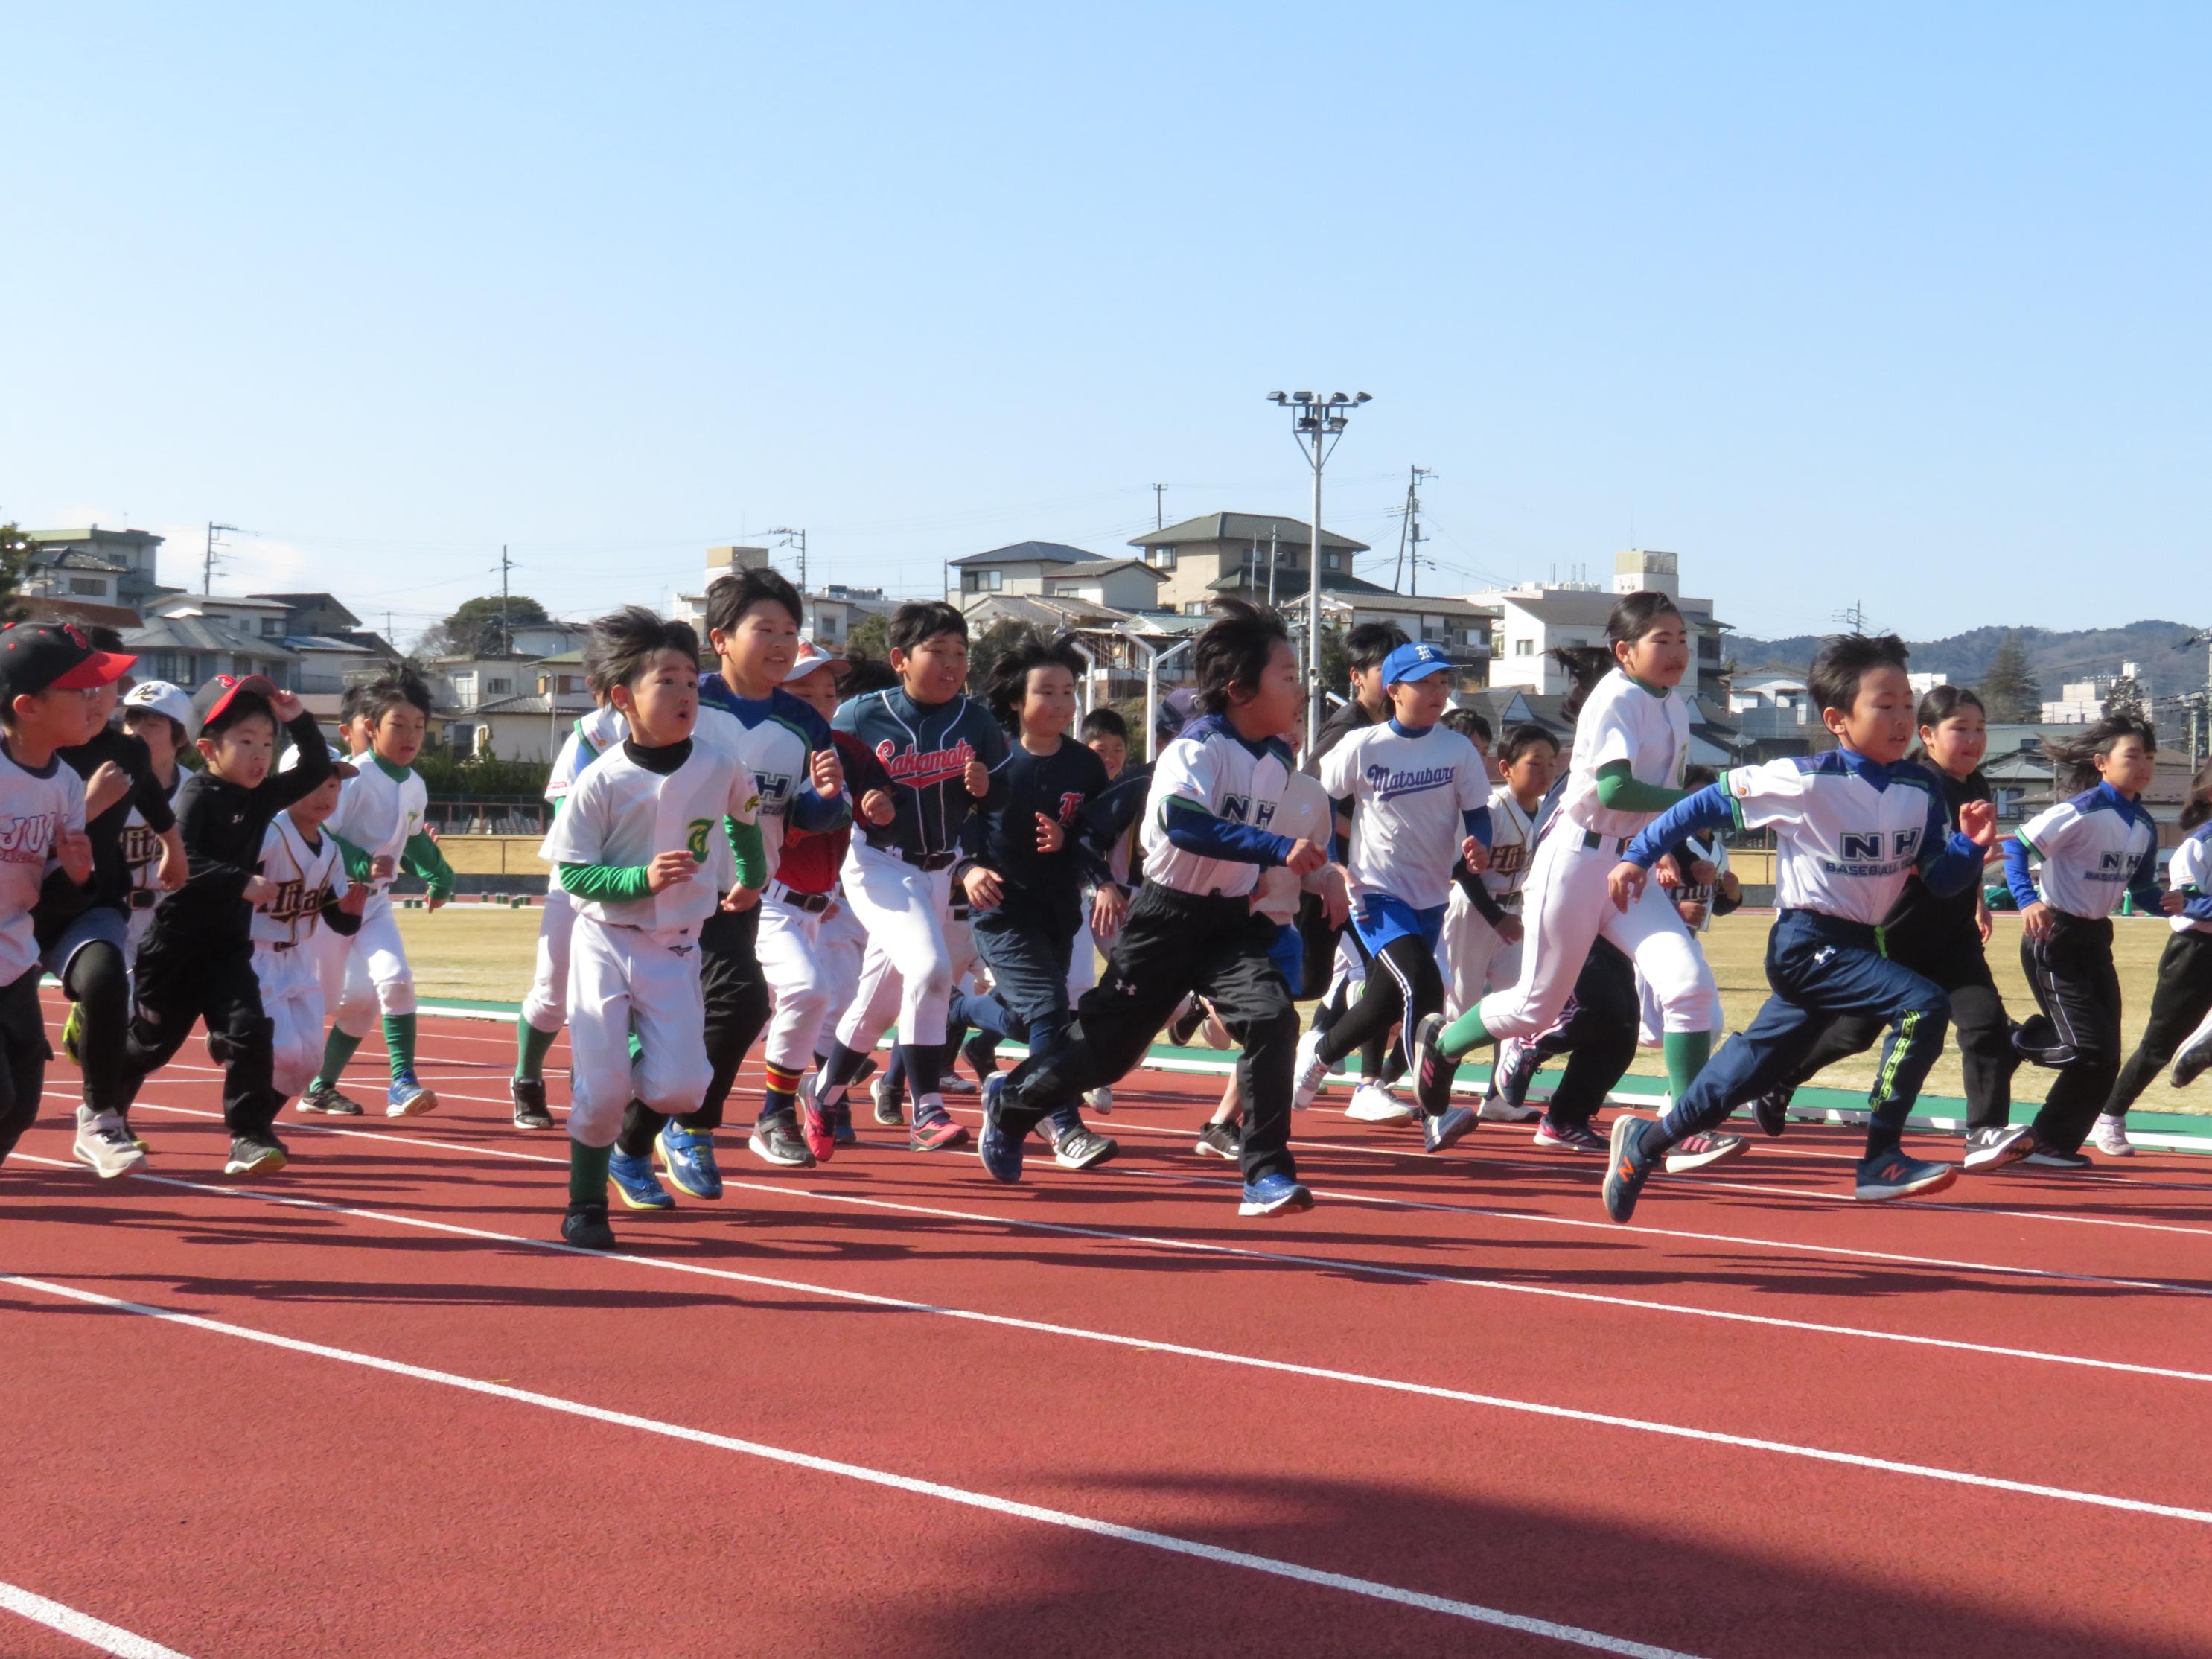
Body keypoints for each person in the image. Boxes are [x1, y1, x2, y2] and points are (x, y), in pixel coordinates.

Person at [1596, 634, 1998, 1222]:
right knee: (1923, 1006)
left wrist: (1968, 847)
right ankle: (1880, 1157)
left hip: (1856, 943)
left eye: (1908, 706)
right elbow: (1701, 804)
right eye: (1883, 706)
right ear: (1837, 719)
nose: (1901, 719)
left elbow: (1939, 878)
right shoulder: (1804, 780)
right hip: (1807, 940)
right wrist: (1637, 853)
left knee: (1742, 1075)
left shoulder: (1921, 790)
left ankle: (1645, 1143)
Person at [981, 599, 1328, 1217]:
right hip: (1165, 922)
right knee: (1105, 1056)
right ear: (1241, 688)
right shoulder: (1195, 750)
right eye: (1287, 675)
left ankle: (1265, 1174)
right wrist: (1275, 849)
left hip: (1228, 926)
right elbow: (1181, 822)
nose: (1300, 688)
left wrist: (1303, 873)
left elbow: (1243, 844)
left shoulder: (1275, 762)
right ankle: (1011, 1104)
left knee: (1275, 1020)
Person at [1412, 593, 1723, 1120]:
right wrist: (1697, 804)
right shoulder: (1617, 697)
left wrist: (1662, 848)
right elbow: (1614, 791)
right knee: (1536, 1005)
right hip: (1576, 862)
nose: (1676, 652)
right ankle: (1440, 1046)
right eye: (1661, 640)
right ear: (1624, 651)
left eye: (1682, 641)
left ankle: (1685, 1125)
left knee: (1687, 985)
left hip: (1628, 866)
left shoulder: (1670, 702)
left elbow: (1656, 798)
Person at [541, 608, 765, 1249]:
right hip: (605, 942)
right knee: (603, 1092)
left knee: (681, 1086)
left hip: (676, 948)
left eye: (692, 682)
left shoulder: (719, 763)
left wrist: (749, 876)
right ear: (623, 698)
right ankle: (585, 1206)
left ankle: (626, 1066)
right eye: (666, 682)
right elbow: (575, 877)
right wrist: (639, 879)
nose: (685, 695)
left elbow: (744, 820)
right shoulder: (599, 780)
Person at [1744, 687, 2032, 1170]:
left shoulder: (1977, 786)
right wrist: (1953, 858)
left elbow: (1968, 854)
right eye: (1959, 729)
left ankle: (1984, 1131)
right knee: (1851, 1035)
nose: (1972, 740)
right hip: (1895, 933)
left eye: (1979, 729)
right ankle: (1780, 1078)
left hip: (1953, 937)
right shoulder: (1916, 786)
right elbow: (1904, 855)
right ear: (1928, 736)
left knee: (1982, 1025)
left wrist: (1978, 899)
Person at [636, 567, 848, 1186]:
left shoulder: (804, 723)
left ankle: (692, 1128)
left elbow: (804, 816)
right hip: (663, 891)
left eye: (790, 630)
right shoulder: (688, 699)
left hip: (740, 895)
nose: (781, 643)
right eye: (766, 629)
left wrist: (830, 800)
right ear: (721, 638)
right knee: (654, 1023)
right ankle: (627, 1143)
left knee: (743, 1004)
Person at [808, 602, 1008, 1153]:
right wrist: (856, 798)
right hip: (878, 863)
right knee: (931, 967)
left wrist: (987, 788)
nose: (951, 665)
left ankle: (822, 1094)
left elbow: (1000, 802)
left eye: (960, 654)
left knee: (879, 1002)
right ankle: (926, 1107)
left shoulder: (976, 720)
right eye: (936, 653)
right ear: (900, 659)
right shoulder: (858, 716)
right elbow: (820, 785)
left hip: (939, 869)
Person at [117, 674, 334, 1176]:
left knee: (250, 1033)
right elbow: (183, 860)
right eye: (245, 742)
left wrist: (297, 719)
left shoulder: (261, 797)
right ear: (209, 748)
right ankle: (104, 1106)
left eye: (266, 743)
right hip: (173, 949)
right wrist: (240, 881)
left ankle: (249, 1137)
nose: (260, 755)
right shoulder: (197, 794)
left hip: (227, 950)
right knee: (150, 1048)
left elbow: (318, 767)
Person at [932, 628, 1125, 1173]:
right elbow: (955, 828)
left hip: (1057, 912)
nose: (1060, 703)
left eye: (1068, 692)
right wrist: (967, 871)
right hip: (1001, 910)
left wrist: (1095, 872)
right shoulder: (987, 761)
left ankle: (961, 1012)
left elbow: (1093, 839)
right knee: (1047, 1010)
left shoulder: (1084, 767)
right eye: (1047, 692)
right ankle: (1059, 1124)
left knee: (1038, 1020)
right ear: (1018, 700)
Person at [1297, 643, 1490, 1153]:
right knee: (1423, 988)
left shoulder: (1457, 750)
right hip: (1375, 891)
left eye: (1442, 683)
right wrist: (1333, 862)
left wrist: (1479, 845)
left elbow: (1477, 812)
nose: (1437, 692)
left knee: (1385, 1000)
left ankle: (1318, 1055)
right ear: (1394, 690)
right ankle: (1435, 1112)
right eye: (1424, 683)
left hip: (1431, 896)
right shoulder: (1362, 746)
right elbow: (1318, 798)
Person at [2006, 715, 2178, 1165]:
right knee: (2087, 1047)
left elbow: (2141, 891)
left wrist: (2171, 903)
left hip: (2096, 937)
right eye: (2133, 755)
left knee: (2106, 1056)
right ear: (2102, 763)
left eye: (2151, 758)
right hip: (2054, 934)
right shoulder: (2080, 810)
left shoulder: (2142, 823)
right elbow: (2016, 846)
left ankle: (2051, 1143)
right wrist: (2027, 900)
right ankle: (2008, 1041)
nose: (2144, 765)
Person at [43, 630, 185, 1172]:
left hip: (88, 903)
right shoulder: (15, 756)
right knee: (14, 1094)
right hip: (14, 908)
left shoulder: (124, 750)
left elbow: (148, 795)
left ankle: (100, 1117)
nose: (110, 697)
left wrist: (173, 848)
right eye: (94, 685)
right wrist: (89, 806)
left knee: (107, 981)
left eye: (115, 684)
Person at [301, 668, 455, 1117]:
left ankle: (402, 1084)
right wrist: (360, 862)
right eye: (398, 725)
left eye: (419, 726)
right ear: (370, 728)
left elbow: (415, 841)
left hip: (375, 906)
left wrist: (441, 877)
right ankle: (293, 1076)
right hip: (327, 906)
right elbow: (320, 833)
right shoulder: (351, 778)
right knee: (338, 1002)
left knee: (396, 981)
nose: (411, 735)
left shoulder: (415, 784)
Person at [0, 625, 107, 1176]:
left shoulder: (66, 784)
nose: (94, 701)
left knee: (21, 1105)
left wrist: (76, 876)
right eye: (78, 690)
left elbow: (53, 901)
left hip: (13, 956)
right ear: (28, 706)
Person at [510, 676, 611, 1130]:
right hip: (579, 879)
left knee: (627, 998)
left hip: (643, 887)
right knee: (553, 996)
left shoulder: (687, 731)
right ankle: (527, 1078)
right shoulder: (591, 734)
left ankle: (592, 1079)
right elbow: (567, 813)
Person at [1441, 722, 1554, 1121]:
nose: (1545, 772)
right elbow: (1464, 870)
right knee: (1459, 1009)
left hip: (1515, 914)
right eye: (1535, 763)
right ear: (1506, 767)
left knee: (1520, 1005)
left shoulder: (1549, 814)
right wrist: (1497, 919)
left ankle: (1497, 1097)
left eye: (1551, 764)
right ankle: (1422, 1094)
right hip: (1474, 911)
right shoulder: (1491, 808)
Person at [2101, 760, 2212, 1138]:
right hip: (2195, 953)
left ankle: (2205, 1040)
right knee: (2158, 1045)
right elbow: (2186, 902)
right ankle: (2111, 1116)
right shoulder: (2197, 847)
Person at [257, 762, 369, 1109]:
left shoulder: (331, 849)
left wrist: (350, 911)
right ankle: (230, 1036)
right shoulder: (268, 834)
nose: (325, 796)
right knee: (284, 1051)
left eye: (333, 787)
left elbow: (338, 920)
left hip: (298, 958)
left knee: (307, 1064)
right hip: (255, 953)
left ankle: (257, 1125)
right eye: (314, 785)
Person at [116, 679, 191, 968]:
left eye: (154, 723)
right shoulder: (107, 781)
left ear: (181, 737)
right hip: (115, 915)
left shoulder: (194, 789)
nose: (138, 731)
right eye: (133, 719)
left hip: (172, 920)